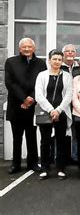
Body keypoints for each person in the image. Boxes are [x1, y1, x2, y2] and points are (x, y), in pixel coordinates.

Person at [5, 37, 46, 174]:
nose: (27, 49)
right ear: (19, 48)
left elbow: (41, 84)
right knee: (17, 138)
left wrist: (31, 98)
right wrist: (24, 99)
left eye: (29, 47)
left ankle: (32, 163)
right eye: (24, 47)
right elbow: (10, 83)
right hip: (16, 106)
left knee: (31, 136)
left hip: (32, 107)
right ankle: (15, 164)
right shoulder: (11, 62)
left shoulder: (41, 63)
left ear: (34, 48)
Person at [34, 49, 73, 180]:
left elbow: (69, 95)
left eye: (59, 59)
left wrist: (58, 110)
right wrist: (51, 110)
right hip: (46, 112)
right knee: (45, 141)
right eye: (54, 59)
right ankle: (45, 168)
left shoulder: (67, 76)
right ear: (49, 60)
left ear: (62, 61)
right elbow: (38, 95)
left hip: (61, 112)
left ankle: (60, 168)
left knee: (61, 141)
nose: (57, 62)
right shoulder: (42, 75)